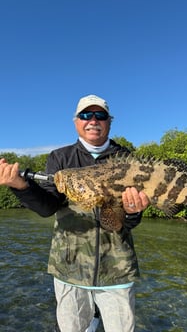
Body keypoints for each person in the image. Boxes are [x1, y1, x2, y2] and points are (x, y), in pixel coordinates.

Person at [0, 94, 150, 332]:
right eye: (85, 115)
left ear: (109, 121)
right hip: (68, 269)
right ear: (76, 121)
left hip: (117, 271)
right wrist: (21, 186)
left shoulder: (127, 158)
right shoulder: (60, 157)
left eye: (100, 115)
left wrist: (132, 212)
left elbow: (130, 222)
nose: (93, 120)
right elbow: (47, 207)